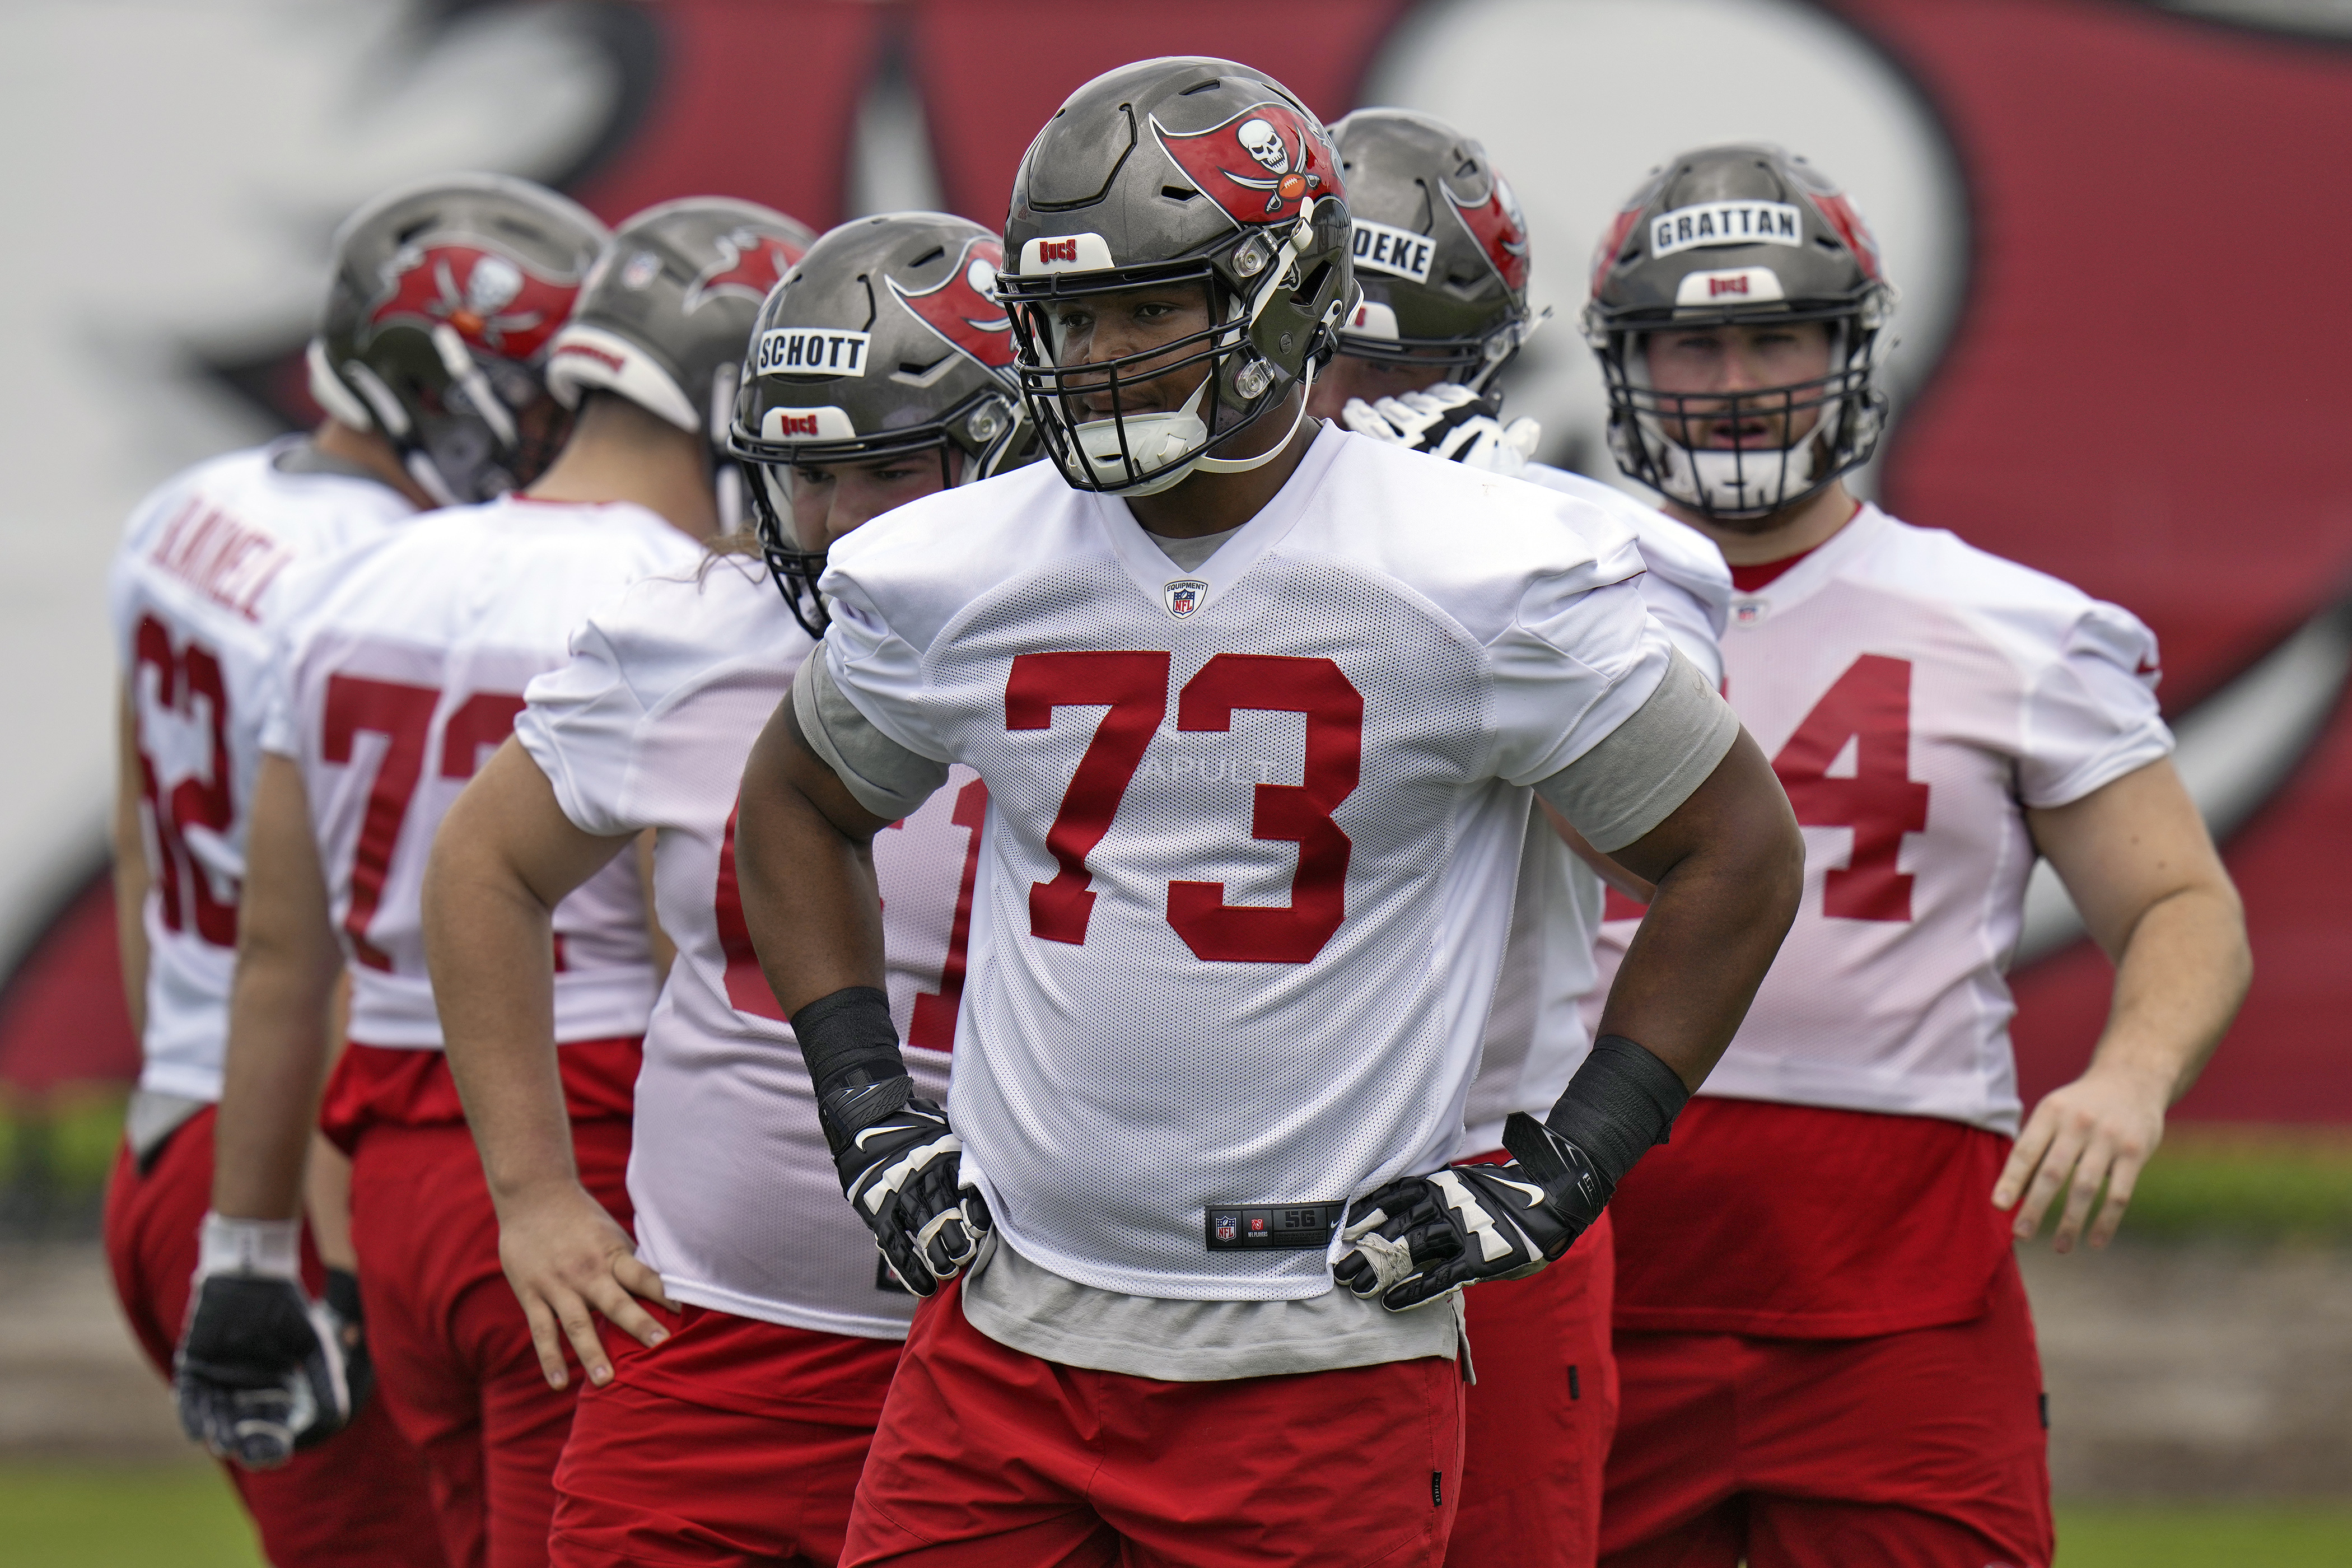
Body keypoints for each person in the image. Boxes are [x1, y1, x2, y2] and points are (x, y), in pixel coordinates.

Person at [731, 57, 1806, 1568]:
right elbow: (793, 804)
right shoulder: (960, 564)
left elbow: (1736, 856)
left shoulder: (1473, 571)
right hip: (1008, 1321)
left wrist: (1569, 1169)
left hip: (1316, 1344)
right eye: (1074, 316)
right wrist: (865, 1106)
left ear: (1285, 295)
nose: (1100, 356)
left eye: (1148, 309)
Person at [1576, 143, 2253, 1568]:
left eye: (1778, 333)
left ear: (1853, 350)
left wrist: (2132, 1077)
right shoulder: (1537, 599)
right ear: (1631, 364)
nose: (1738, 374)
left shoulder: (2009, 624)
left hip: (1899, 1274)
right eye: (1695, 340)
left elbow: (2184, 898)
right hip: (1585, 1237)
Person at [181, 194, 801, 1568]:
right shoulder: (675, 599)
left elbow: (282, 947)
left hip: (393, 1177)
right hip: (573, 1150)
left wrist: (247, 1239)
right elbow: (690, 937)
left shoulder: (356, 574)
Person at [422, 210, 1029, 1568]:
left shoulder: (1122, 635)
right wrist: (530, 1192)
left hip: (1015, 1352)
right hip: (716, 1340)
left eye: (885, 471)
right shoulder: (694, 638)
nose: (835, 522)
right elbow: (483, 864)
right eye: (805, 474)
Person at [104, 174, 567, 1568]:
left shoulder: (194, 505)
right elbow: (329, 952)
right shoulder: (391, 585)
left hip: (176, 1135)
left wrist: (181, 1088)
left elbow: (146, 849)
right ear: (435, 376)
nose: (554, 428)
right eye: (534, 389)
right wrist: (294, 1232)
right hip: (292, 1168)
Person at [1301, 108, 1734, 1568]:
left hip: (1461, 1189)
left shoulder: (1573, 548)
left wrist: (1486, 579)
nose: (1344, 405)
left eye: (1396, 365)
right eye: (1318, 359)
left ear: (1479, 365)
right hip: (1159, 1191)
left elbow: (1652, 854)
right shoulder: (1130, 534)